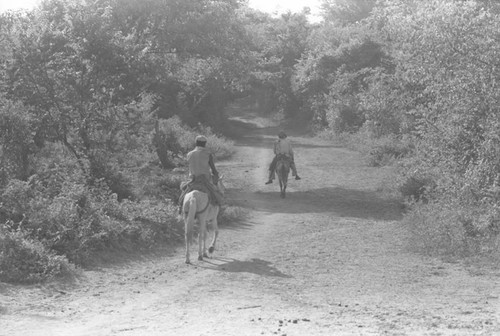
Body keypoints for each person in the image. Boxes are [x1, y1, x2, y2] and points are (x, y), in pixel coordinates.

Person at [178, 135, 224, 213]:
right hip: (205, 179)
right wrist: (216, 175)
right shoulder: (208, 154)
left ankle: (180, 208)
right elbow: (213, 169)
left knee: (184, 193)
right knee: (216, 193)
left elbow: (190, 166)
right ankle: (219, 209)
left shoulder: (189, 154)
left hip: (193, 179)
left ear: (196, 143)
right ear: (205, 144)